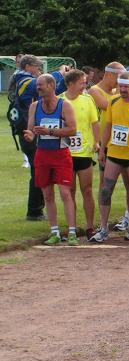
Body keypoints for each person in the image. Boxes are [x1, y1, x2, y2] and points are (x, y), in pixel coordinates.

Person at [93, 73, 129, 244]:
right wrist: (102, 149)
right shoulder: (113, 101)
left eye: (126, 86)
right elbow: (108, 126)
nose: (123, 89)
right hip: (114, 154)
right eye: (121, 86)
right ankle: (103, 229)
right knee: (106, 190)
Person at [23, 74, 78, 246]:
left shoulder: (64, 105)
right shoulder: (34, 106)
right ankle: (54, 232)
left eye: (41, 85)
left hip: (61, 154)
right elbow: (31, 130)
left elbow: (73, 130)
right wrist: (30, 135)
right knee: (47, 194)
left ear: (52, 86)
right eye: (37, 85)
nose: (38, 88)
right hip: (42, 154)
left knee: (65, 193)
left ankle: (72, 232)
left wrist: (50, 132)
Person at [13, 55, 67, 221]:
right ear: (28, 66)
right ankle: (35, 211)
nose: (38, 69)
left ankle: (37, 209)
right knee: (38, 171)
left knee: (39, 171)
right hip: (30, 132)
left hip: (33, 131)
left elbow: (52, 90)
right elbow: (42, 86)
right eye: (36, 66)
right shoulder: (25, 81)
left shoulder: (23, 79)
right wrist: (59, 74)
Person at [61, 69, 100, 239]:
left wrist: (97, 142)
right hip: (65, 153)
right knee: (69, 191)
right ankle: (72, 229)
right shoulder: (60, 101)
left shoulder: (88, 99)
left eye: (85, 82)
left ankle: (90, 227)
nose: (85, 85)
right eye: (82, 83)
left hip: (84, 153)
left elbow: (95, 123)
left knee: (87, 190)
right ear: (70, 83)